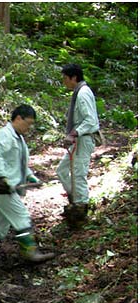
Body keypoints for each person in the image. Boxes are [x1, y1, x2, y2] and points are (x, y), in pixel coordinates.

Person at [0, 105, 55, 263]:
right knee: (21, 216)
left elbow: (19, 163)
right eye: (28, 123)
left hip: (6, 186)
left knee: (0, 225)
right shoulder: (4, 135)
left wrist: (30, 176)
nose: (29, 127)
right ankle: (30, 252)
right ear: (18, 118)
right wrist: (3, 177)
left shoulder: (18, 138)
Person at [56, 64, 100, 228]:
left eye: (65, 78)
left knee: (79, 175)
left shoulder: (83, 93)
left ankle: (80, 212)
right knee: (61, 171)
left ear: (74, 78)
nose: (64, 82)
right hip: (77, 139)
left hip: (83, 139)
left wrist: (74, 133)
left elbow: (90, 121)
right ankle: (75, 200)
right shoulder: (80, 92)